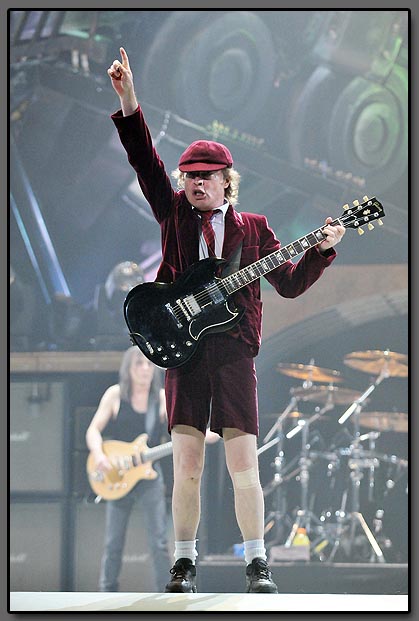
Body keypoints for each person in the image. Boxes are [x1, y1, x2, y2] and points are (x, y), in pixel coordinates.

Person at [107, 47, 346, 594]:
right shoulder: (174, 215)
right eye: (189, 176)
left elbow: (288, 284)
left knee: (244, 465)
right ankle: (183, 564)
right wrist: (129, 100)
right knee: (186, 464)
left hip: (234, 351)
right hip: (183, 351)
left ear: (226, 182)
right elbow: (144, 161)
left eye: (205, 177)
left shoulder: (255, 229)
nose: (195, 183)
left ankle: (258, 564)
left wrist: (321, 250)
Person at [85, 346, 171, 592]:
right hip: (117, 474)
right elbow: (93, 430)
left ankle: (166, 595)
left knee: (159, 541)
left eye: (149, 364)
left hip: (149, 476)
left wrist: (201, 434)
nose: (145, 369)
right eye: (139, 364)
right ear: (128, 368)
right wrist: (99, 455)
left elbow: (178, 429)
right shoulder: (115, 395)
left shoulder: (161, 398)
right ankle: (106, 592)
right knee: (113, 542)